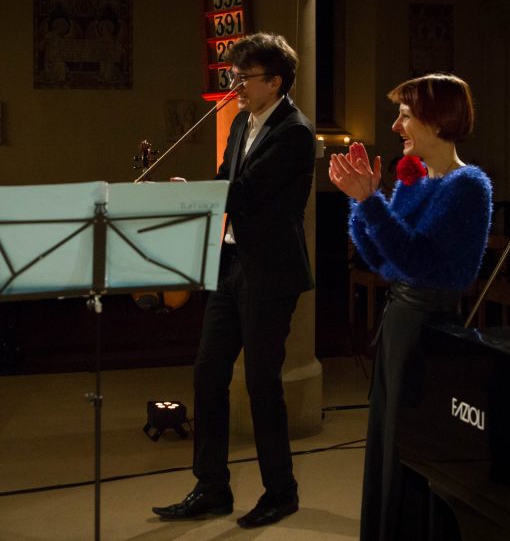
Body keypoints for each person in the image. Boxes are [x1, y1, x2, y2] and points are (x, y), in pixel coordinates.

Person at [152, 32, 315, 529]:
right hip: (231, 264)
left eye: (245, 77)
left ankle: (281, 492)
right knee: (208, 373)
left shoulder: (294, 132)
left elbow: (244, 192)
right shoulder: (243, 121)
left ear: (276, 82)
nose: (236, 86)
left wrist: (194, 195)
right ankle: (212, 487)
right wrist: (193, 191)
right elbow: (226, 176)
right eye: (234, 76)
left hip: (270, 271)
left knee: (263, 384)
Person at [328, 73, 492, 540]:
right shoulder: (415, 178)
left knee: (417, 450)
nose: (396, 126)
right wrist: (363, 202)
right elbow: (381, 260)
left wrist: (371, 203)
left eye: (404, 115)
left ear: (436, 120)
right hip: (401, 321)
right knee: (388, 440)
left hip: (430, 331)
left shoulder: (469, 186)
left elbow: (417, 261)